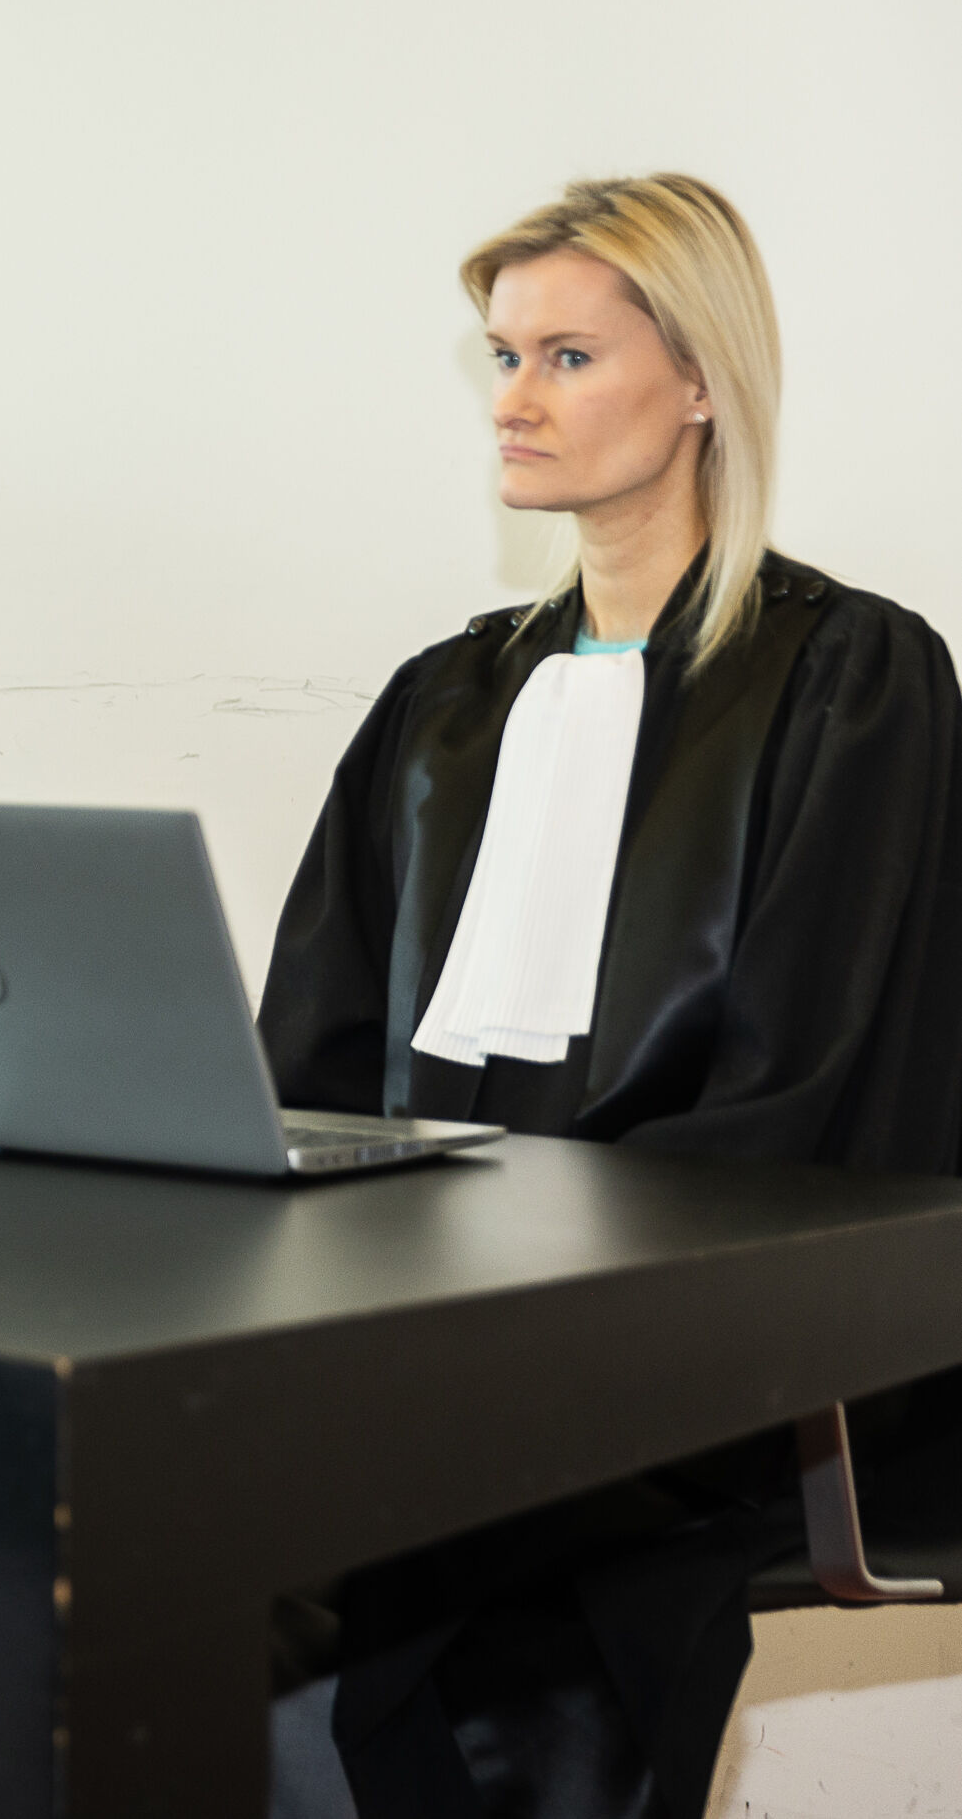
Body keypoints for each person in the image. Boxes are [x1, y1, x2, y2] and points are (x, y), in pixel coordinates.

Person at [257, 174, 962, 1816]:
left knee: (453, 1588)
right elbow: (314, 1053)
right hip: (434, 1334)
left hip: (700, 1359)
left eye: (565, 357)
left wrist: (534, 1298)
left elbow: (816, 1095)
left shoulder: (853, 681)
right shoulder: (443, 702)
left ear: (701, 380)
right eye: (502, 356)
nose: (512, 399)